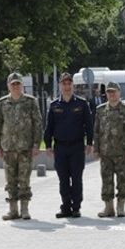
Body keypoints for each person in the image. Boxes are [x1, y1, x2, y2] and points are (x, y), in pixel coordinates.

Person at [0, 72, 42, 220]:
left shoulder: (30, 101)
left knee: (24, 180)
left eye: (18, 83)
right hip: (8, 148)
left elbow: (37, 124)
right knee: (10, 180)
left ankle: (25, 209)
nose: (15, 86)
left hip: (25, 147)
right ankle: (13, 210)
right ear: (8, 85)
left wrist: (36, 144)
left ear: (22, 85)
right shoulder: (2, 102)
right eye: (13, 84)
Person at [44, 72, 93, 218]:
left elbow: (89, 125)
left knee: (76, 178)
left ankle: (76, 207)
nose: (66, 86)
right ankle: (65, 207)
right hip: (60, 148)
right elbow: (49, 127)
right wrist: (47, 145)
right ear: (60, 86)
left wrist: (89, 143)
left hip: (77, 147)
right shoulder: (54, 105)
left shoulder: (82, 104)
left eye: (69, 83)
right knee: (63, 179)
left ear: (73, 85)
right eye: (64, 84)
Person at [94, 81, 125, 218]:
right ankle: (108, 208)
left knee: (123, 180)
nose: (112, 94)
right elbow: (96, 131)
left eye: (114, 91)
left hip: (122, 152)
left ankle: (120, 206)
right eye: (109, 92)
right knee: (106, 181)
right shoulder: (100, 110)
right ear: (106, 94)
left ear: (119, 93)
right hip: (105, 153)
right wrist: (96, 149)